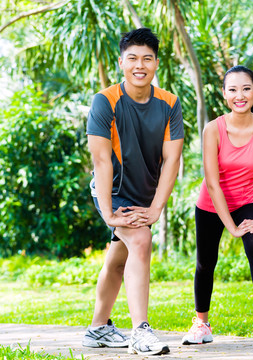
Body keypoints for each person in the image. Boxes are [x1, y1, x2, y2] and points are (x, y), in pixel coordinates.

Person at [82, 28, 184, 356]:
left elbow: (172, 159)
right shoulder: (105, 101)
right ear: (121, 62)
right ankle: (141, 331)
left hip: (144, 194)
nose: (139, 65)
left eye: (147, 58)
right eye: (132, 58)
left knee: (118, 259)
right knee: (140, 241)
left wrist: (155, 208)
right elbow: (101, 160)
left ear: (156, 64)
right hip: (110, 190)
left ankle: (98, 328)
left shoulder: (169, 103)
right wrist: (110, 212)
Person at [181, 65, 253, 349]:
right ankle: (201, 323)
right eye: (232, 89)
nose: (239, 95)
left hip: (247, 199)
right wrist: (230, 227)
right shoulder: (213, 129)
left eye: (245, 89)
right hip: (210, 203)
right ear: (224, 94)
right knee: (205, 262)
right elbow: (213, 182)